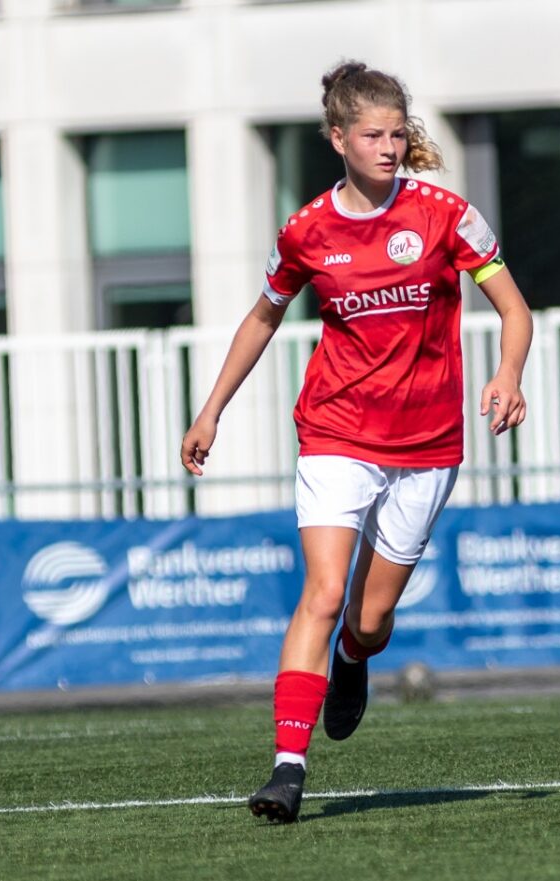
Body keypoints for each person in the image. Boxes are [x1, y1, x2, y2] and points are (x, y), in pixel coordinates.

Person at [180, 60, 533, 824]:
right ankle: (287, 766)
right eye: (372, 134)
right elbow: (263, 316)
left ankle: (350, 659)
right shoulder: (306, 230)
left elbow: (515, 310)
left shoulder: (447, 215)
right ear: (336, 137)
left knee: (369, 623)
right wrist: (212, 410)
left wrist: (508, 374)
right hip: (336, 430)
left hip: (428, 443)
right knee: (325, 591)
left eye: (398, 133)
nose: (388, 147)